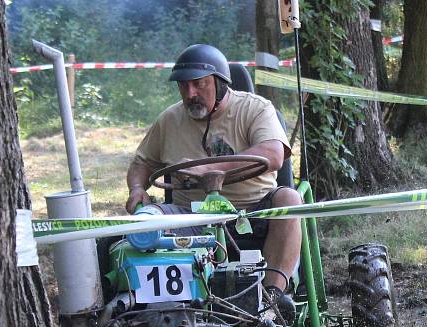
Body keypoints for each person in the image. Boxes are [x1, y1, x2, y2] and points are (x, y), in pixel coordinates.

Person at [125, 44, 301, 304]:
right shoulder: (169, 120)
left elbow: (274, 153)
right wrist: (137, 188)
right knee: (145, 221)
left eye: (199, 84)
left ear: (219, 83)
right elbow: (142, 163)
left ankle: (271, 299)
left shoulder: (256, 109)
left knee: (290, 200)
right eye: (183, 86)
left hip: (252, 211)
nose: (190, 93)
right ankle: (152, 305)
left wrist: (208, 168)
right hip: (188, 217)